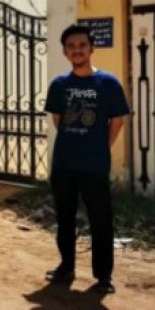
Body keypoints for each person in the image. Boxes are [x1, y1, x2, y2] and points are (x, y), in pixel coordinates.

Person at [44, 24, 130, 295]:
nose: (77, 50)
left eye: (82, 45)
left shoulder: (108, 83)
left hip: (94, 166)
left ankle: (103, 276)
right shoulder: (59, 85)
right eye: (71, 47)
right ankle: (66, 266)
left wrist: (100, 146)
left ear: (91, 49)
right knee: (65, 219)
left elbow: (117, 121)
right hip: (64, 165)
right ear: (65, 52)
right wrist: (77, 141)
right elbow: (58, 120)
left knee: (100, 220)